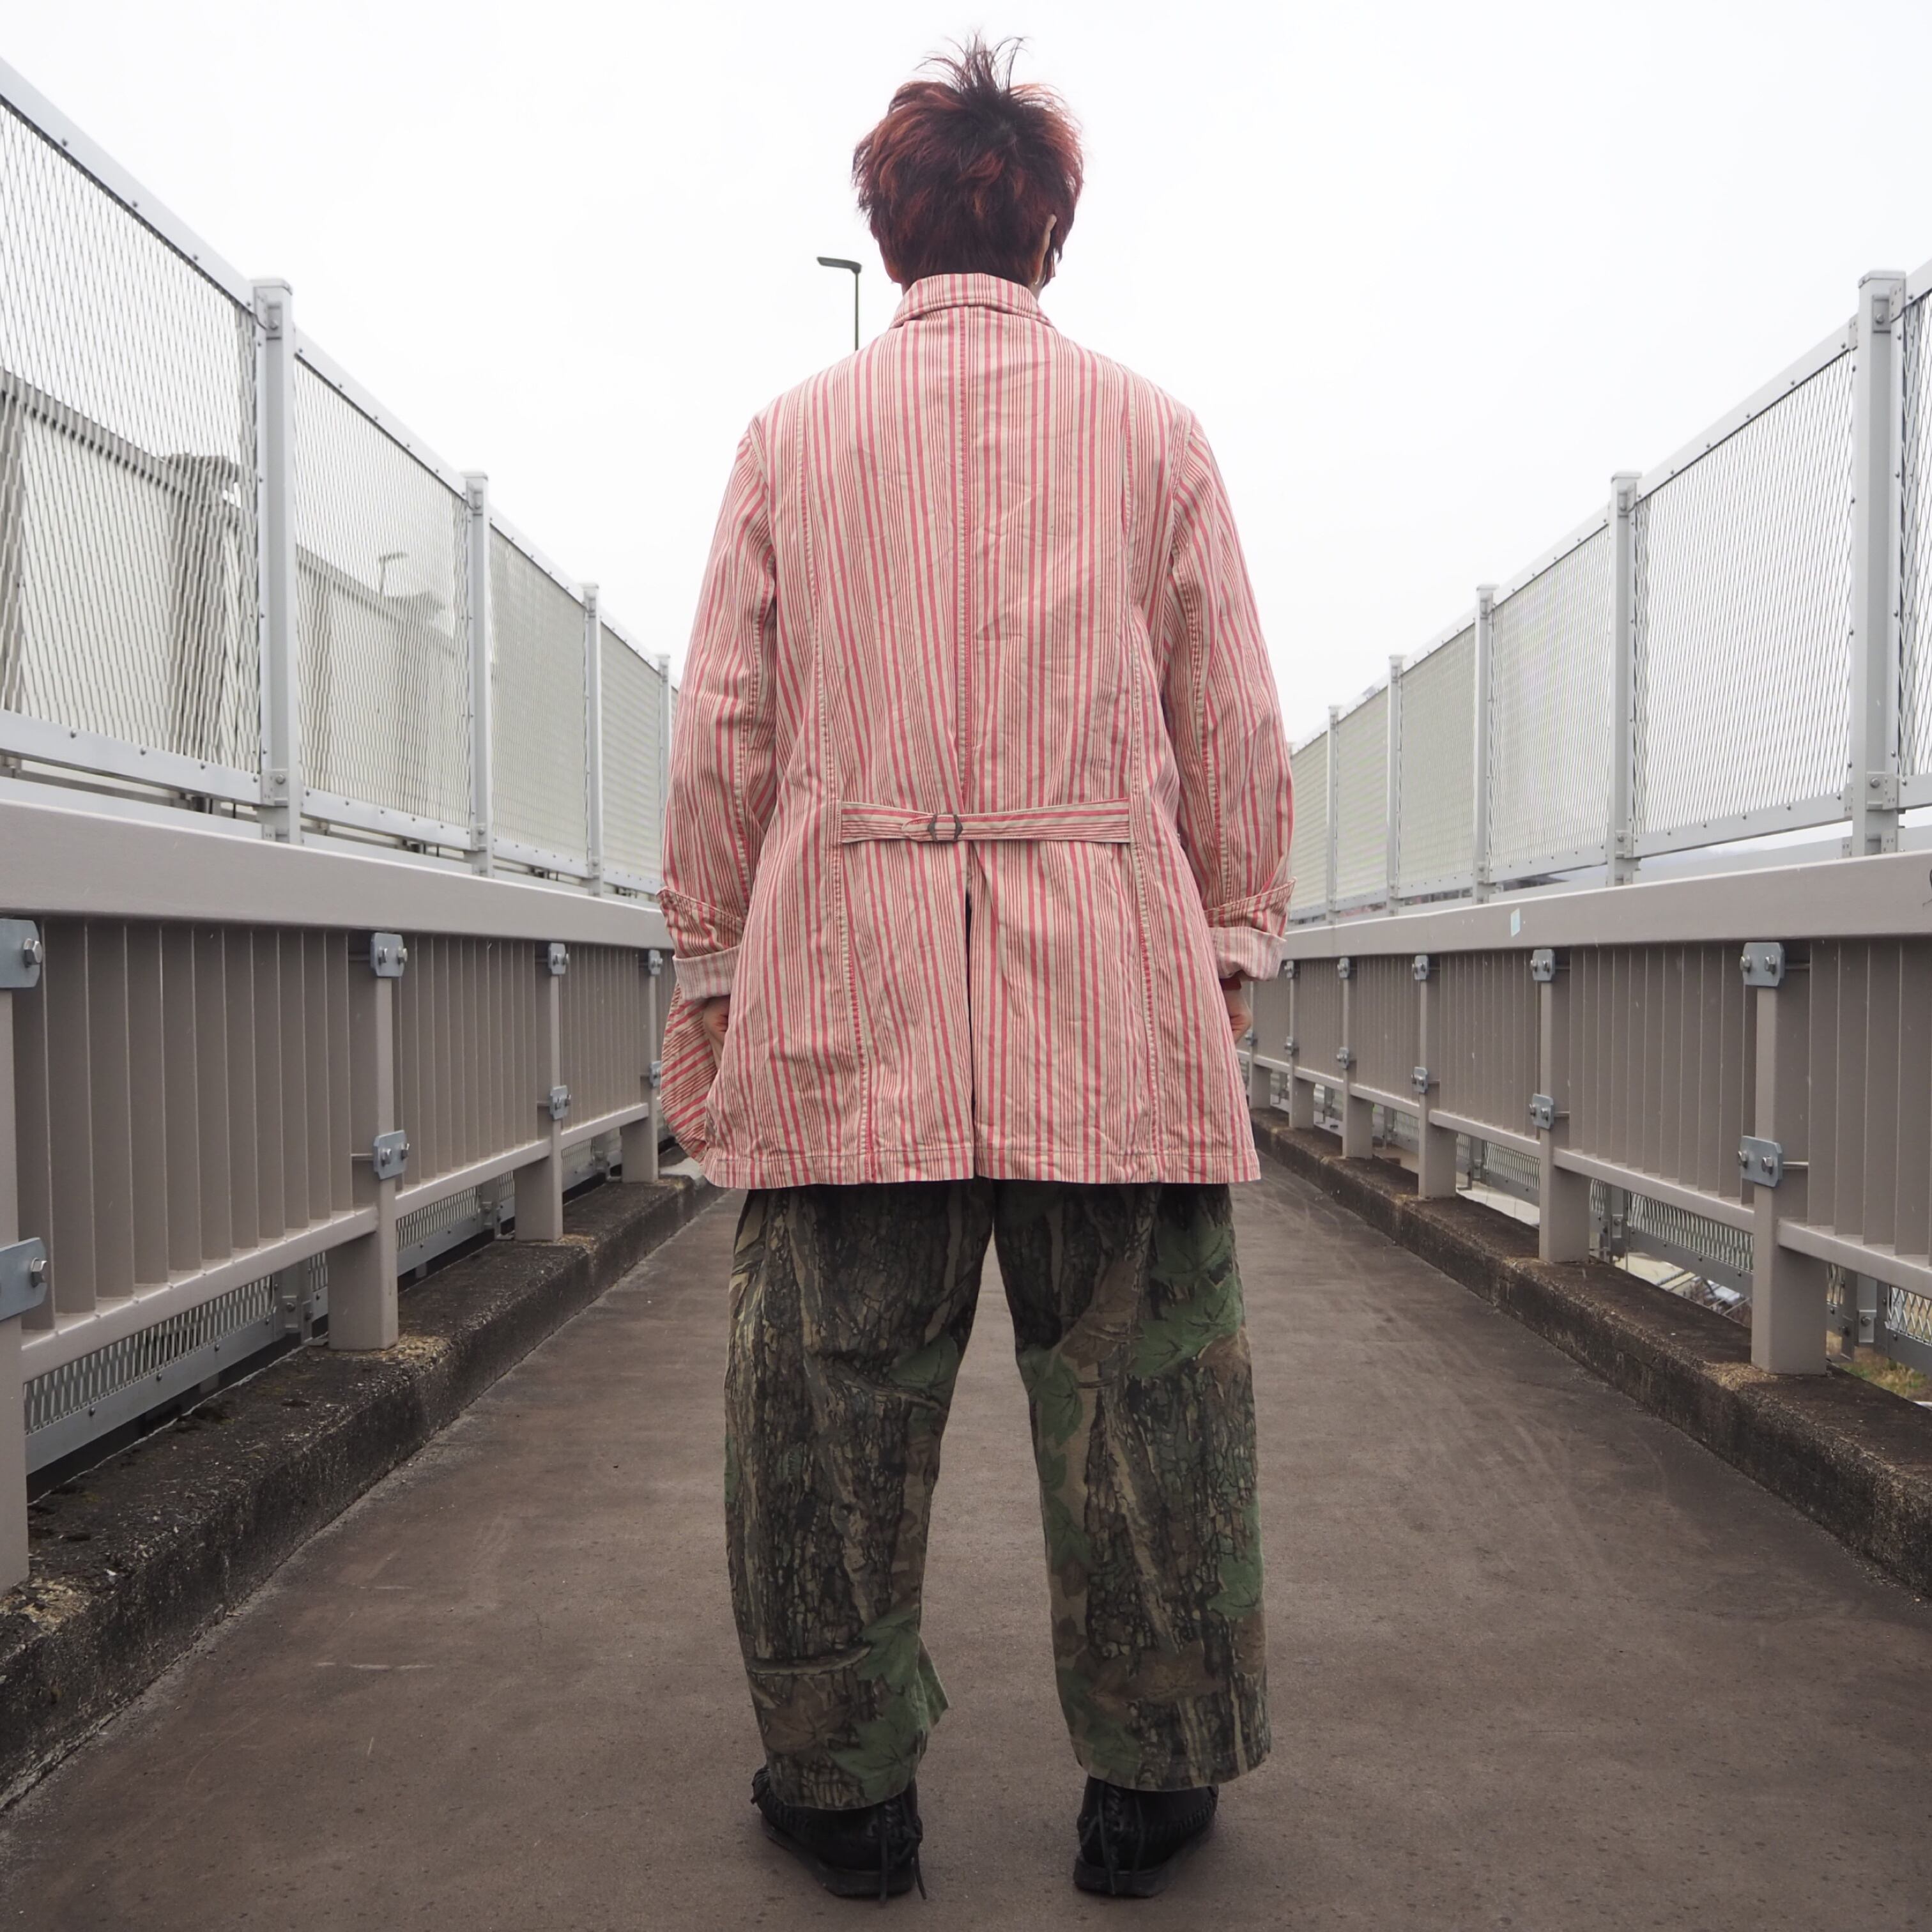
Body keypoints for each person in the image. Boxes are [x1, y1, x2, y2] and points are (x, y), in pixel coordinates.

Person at [657, 37, 1293, 1903]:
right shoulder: (1156, 435)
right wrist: (1227, 948)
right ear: (1050, 236)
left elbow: (725, 733)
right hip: (1111, 995)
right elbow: (1231, 721)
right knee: (1147, 1408)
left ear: (888, 227)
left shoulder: (791, 440)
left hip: (848, 1001)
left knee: (824, 1418)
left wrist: (713, 976)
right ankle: (1149, 1787)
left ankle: (844, 1793)